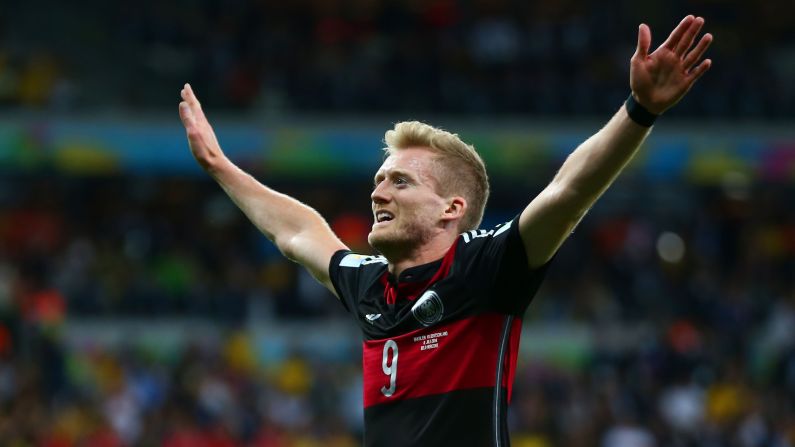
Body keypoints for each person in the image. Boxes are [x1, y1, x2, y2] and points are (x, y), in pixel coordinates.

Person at [178, 15, 712, 447]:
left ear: (450, 209)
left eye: (400, 182)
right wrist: (221, 167)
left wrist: (638, 110)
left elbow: (567, 192)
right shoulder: (370, 287)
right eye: (379, 179)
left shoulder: (486, 269)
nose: (377, 193)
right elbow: (297, 234)